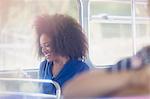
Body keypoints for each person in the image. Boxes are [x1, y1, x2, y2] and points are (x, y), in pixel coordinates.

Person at [34, 14, 89, 94]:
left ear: (61, 43)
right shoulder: (43, 67)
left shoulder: (81, 69)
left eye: (47, 45)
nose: (44, 50)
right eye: (42, 46)